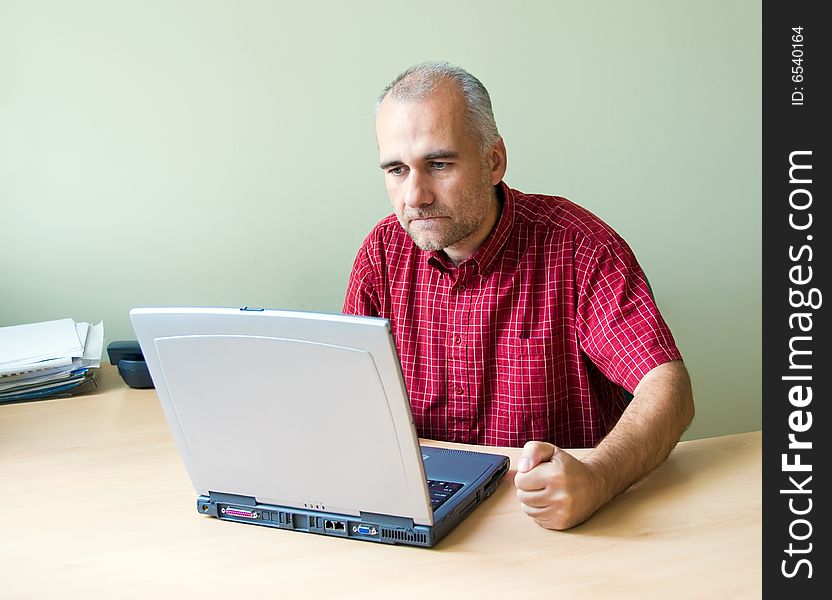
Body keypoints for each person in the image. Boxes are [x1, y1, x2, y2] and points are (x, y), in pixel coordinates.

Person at [343, 61, 694, 530]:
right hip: (423, 518)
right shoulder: (381, 253)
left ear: (494, 161)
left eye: (439, 164)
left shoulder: (579, 248)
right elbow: (351, 404)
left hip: (553, 527)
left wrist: (597, 476)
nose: (415, 195)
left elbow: (669, 389)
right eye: (396, 169)